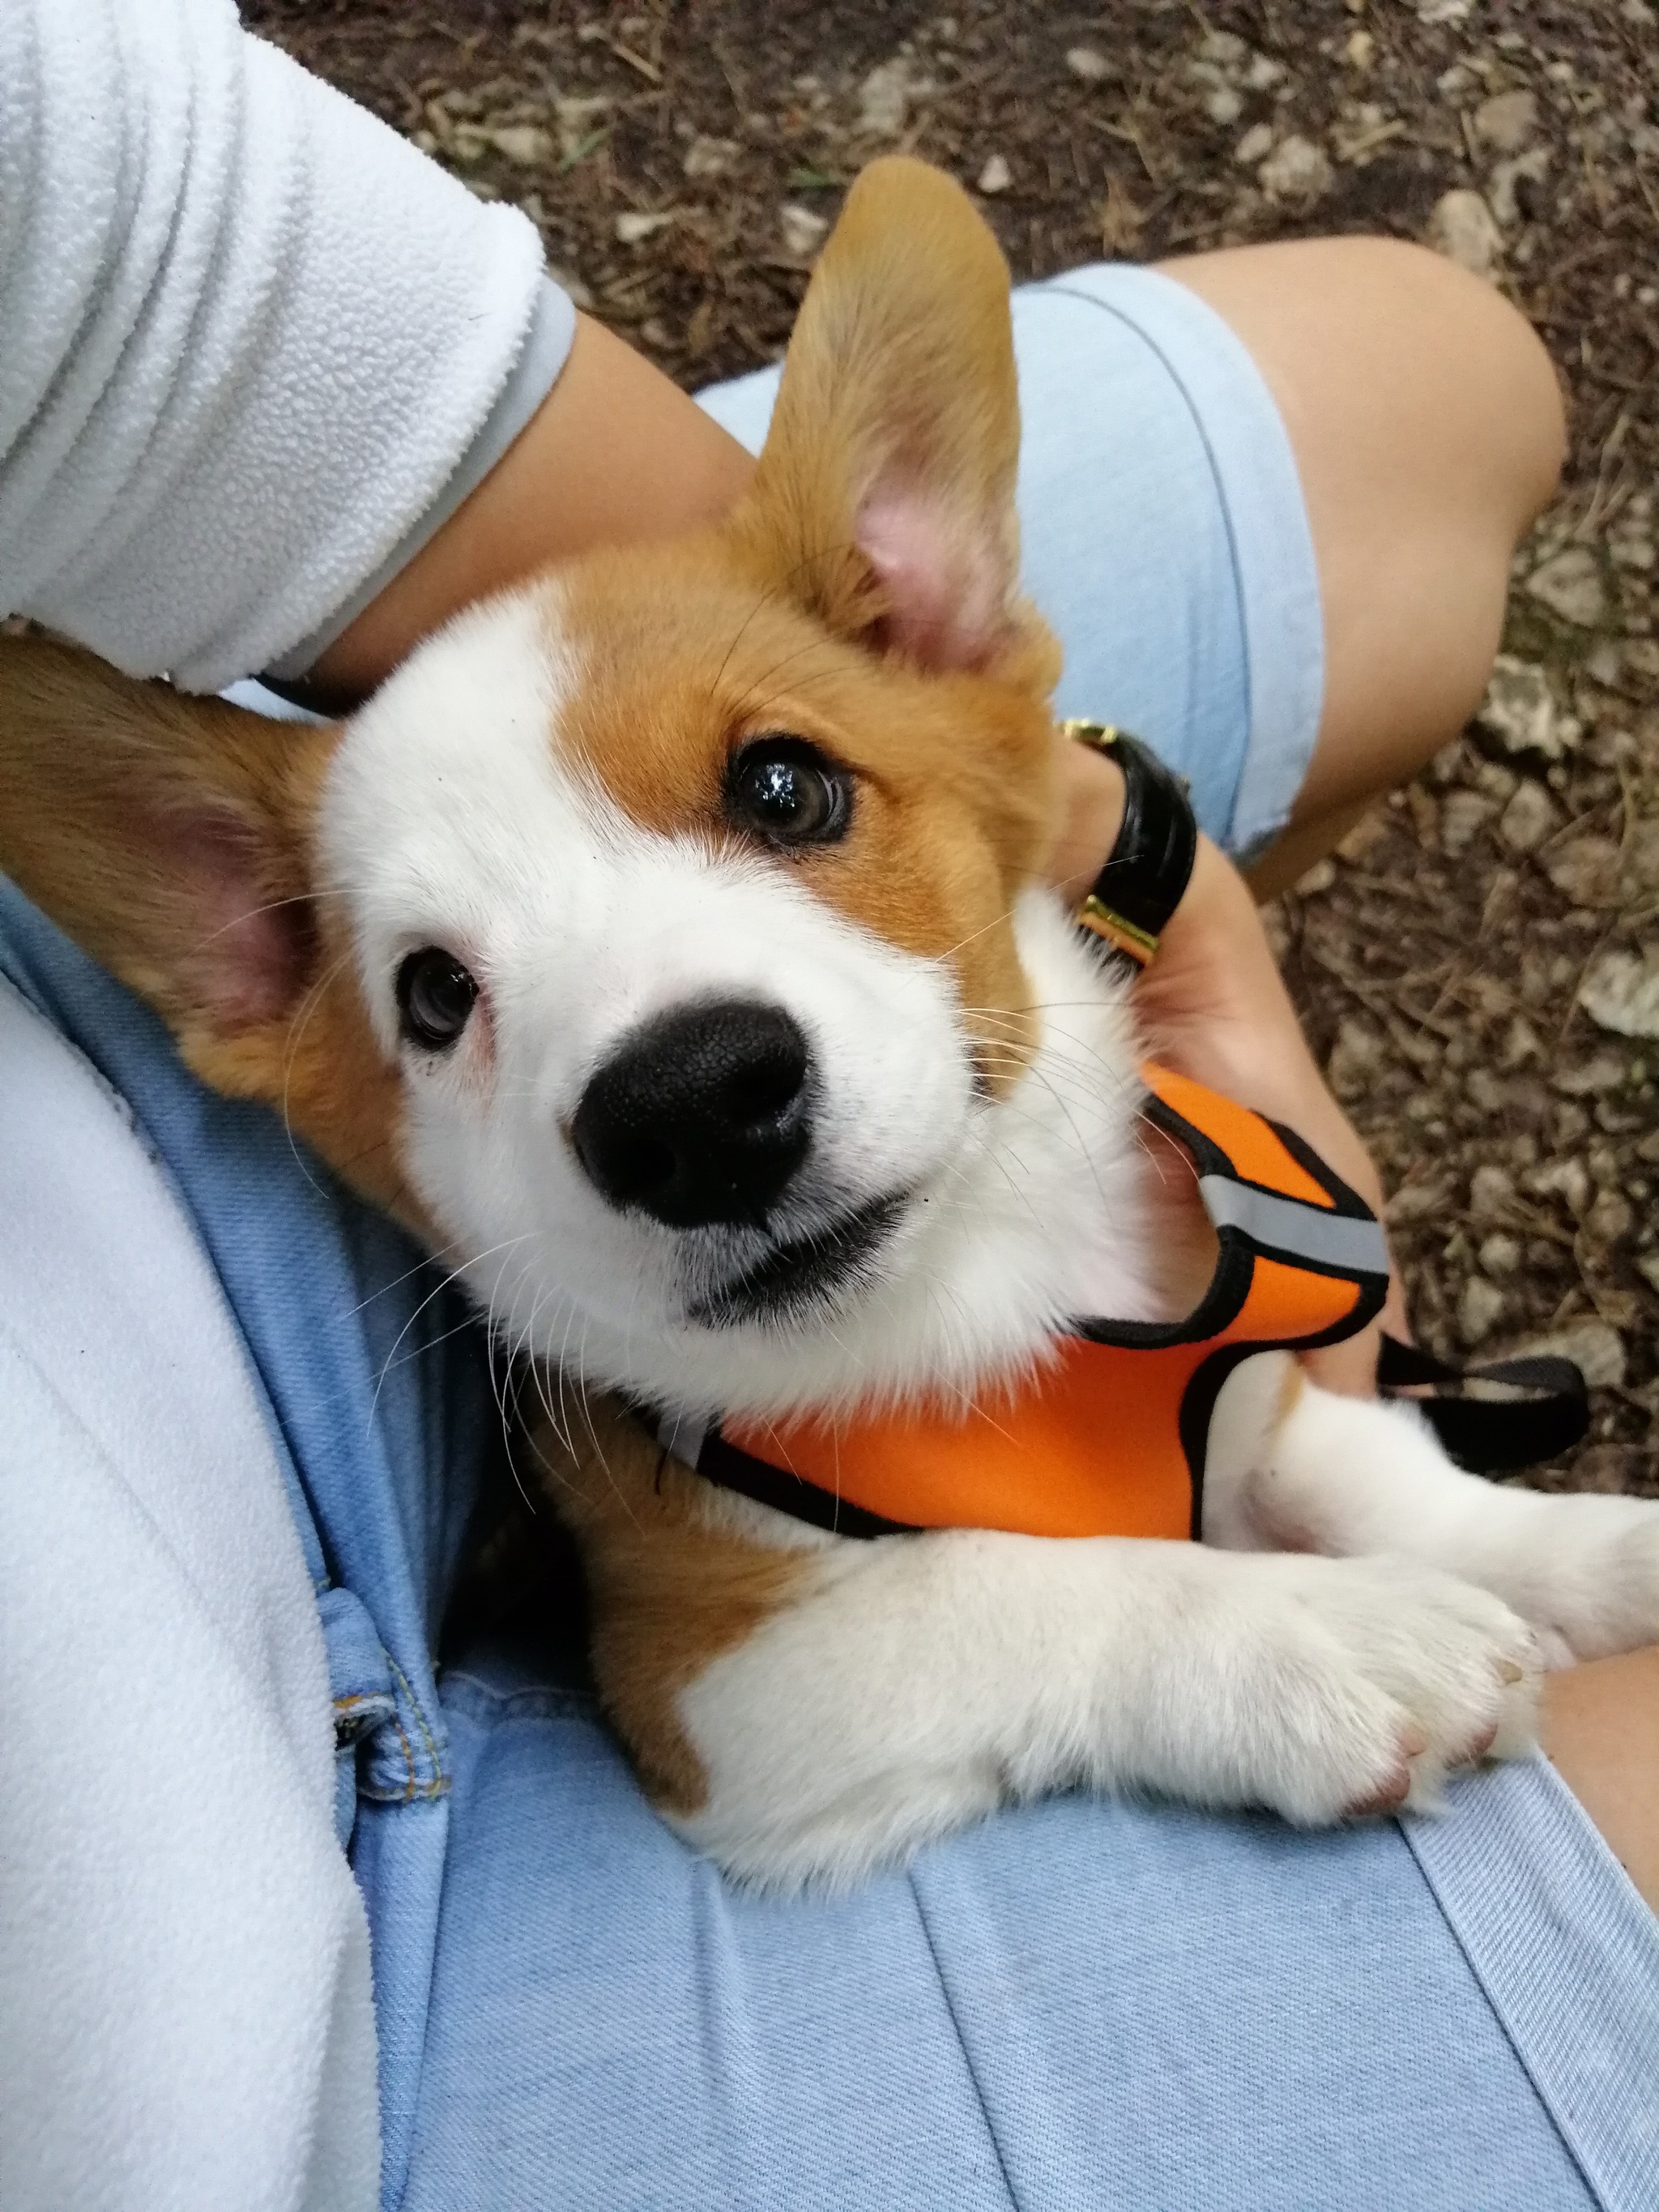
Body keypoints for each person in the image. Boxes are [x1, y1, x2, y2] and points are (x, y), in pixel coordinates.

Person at [0, 4, 1653, 2209]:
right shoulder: (658, 1458)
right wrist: (1156, 1649)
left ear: (935, 615)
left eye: (776, 793)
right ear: (268, 977)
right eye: (434, 985)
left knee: (1448, 380)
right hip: (316, 2028)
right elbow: (746, 1745)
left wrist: (1183, 925)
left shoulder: (913, 667)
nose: (668, 1066)